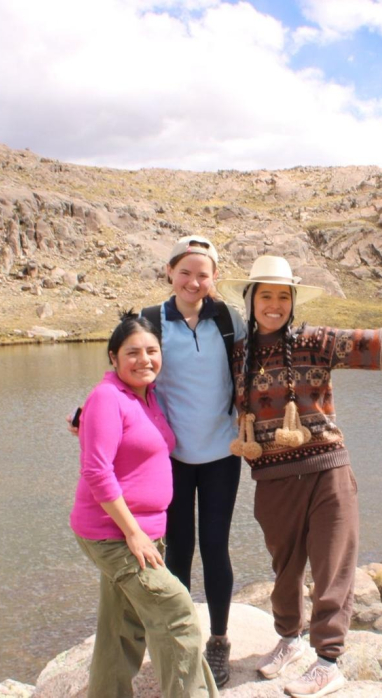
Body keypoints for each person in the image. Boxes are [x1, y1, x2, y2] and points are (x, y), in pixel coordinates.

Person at [217, 255, 382, 698]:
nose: (274, 305)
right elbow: (173, 384)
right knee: (285, 569)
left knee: (333, 567)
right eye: (265, 296)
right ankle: (289, 640)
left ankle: (328, 661)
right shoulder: (235, 356)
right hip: (271, 479)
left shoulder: (318, 340)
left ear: (293, 301)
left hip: (328, 472)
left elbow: (375, 345)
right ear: (250, 301)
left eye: (283, 296)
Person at [70, 310, 218, 698]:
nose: (144, 359)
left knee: (122, 629)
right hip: (115, 534)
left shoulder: (147, 397)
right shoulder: (106, 397)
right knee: (177, 613)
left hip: (142, 532)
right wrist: (133, 534)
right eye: (132, 352)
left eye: (152, 350)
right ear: (113, 358)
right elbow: (97, 472)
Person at [140, 235, 246, 687]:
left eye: (203, 274)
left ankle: (218, 643)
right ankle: (182, 641)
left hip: (222, 453)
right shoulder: (150, 321)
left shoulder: (228, 319)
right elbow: (125, 376)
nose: (193, 281)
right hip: (172, 458)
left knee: (216, 547)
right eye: (185, 271)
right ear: (169, 272)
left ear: (214, 277)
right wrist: (87, 413)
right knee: (179, 551)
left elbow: (257, 366)